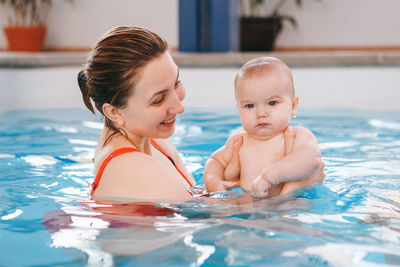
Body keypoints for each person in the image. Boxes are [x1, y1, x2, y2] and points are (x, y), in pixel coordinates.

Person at [204, 57, 323, 198]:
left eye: (272, 103)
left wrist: (269, 176)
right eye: (249, 106)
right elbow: (215, 161)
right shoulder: (239, 140)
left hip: (288, 207)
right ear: (239, 109)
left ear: (293, 106)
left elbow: (311, 158)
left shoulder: (297, 135)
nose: (261, 113)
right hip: (245, 204)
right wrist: (214, 182)